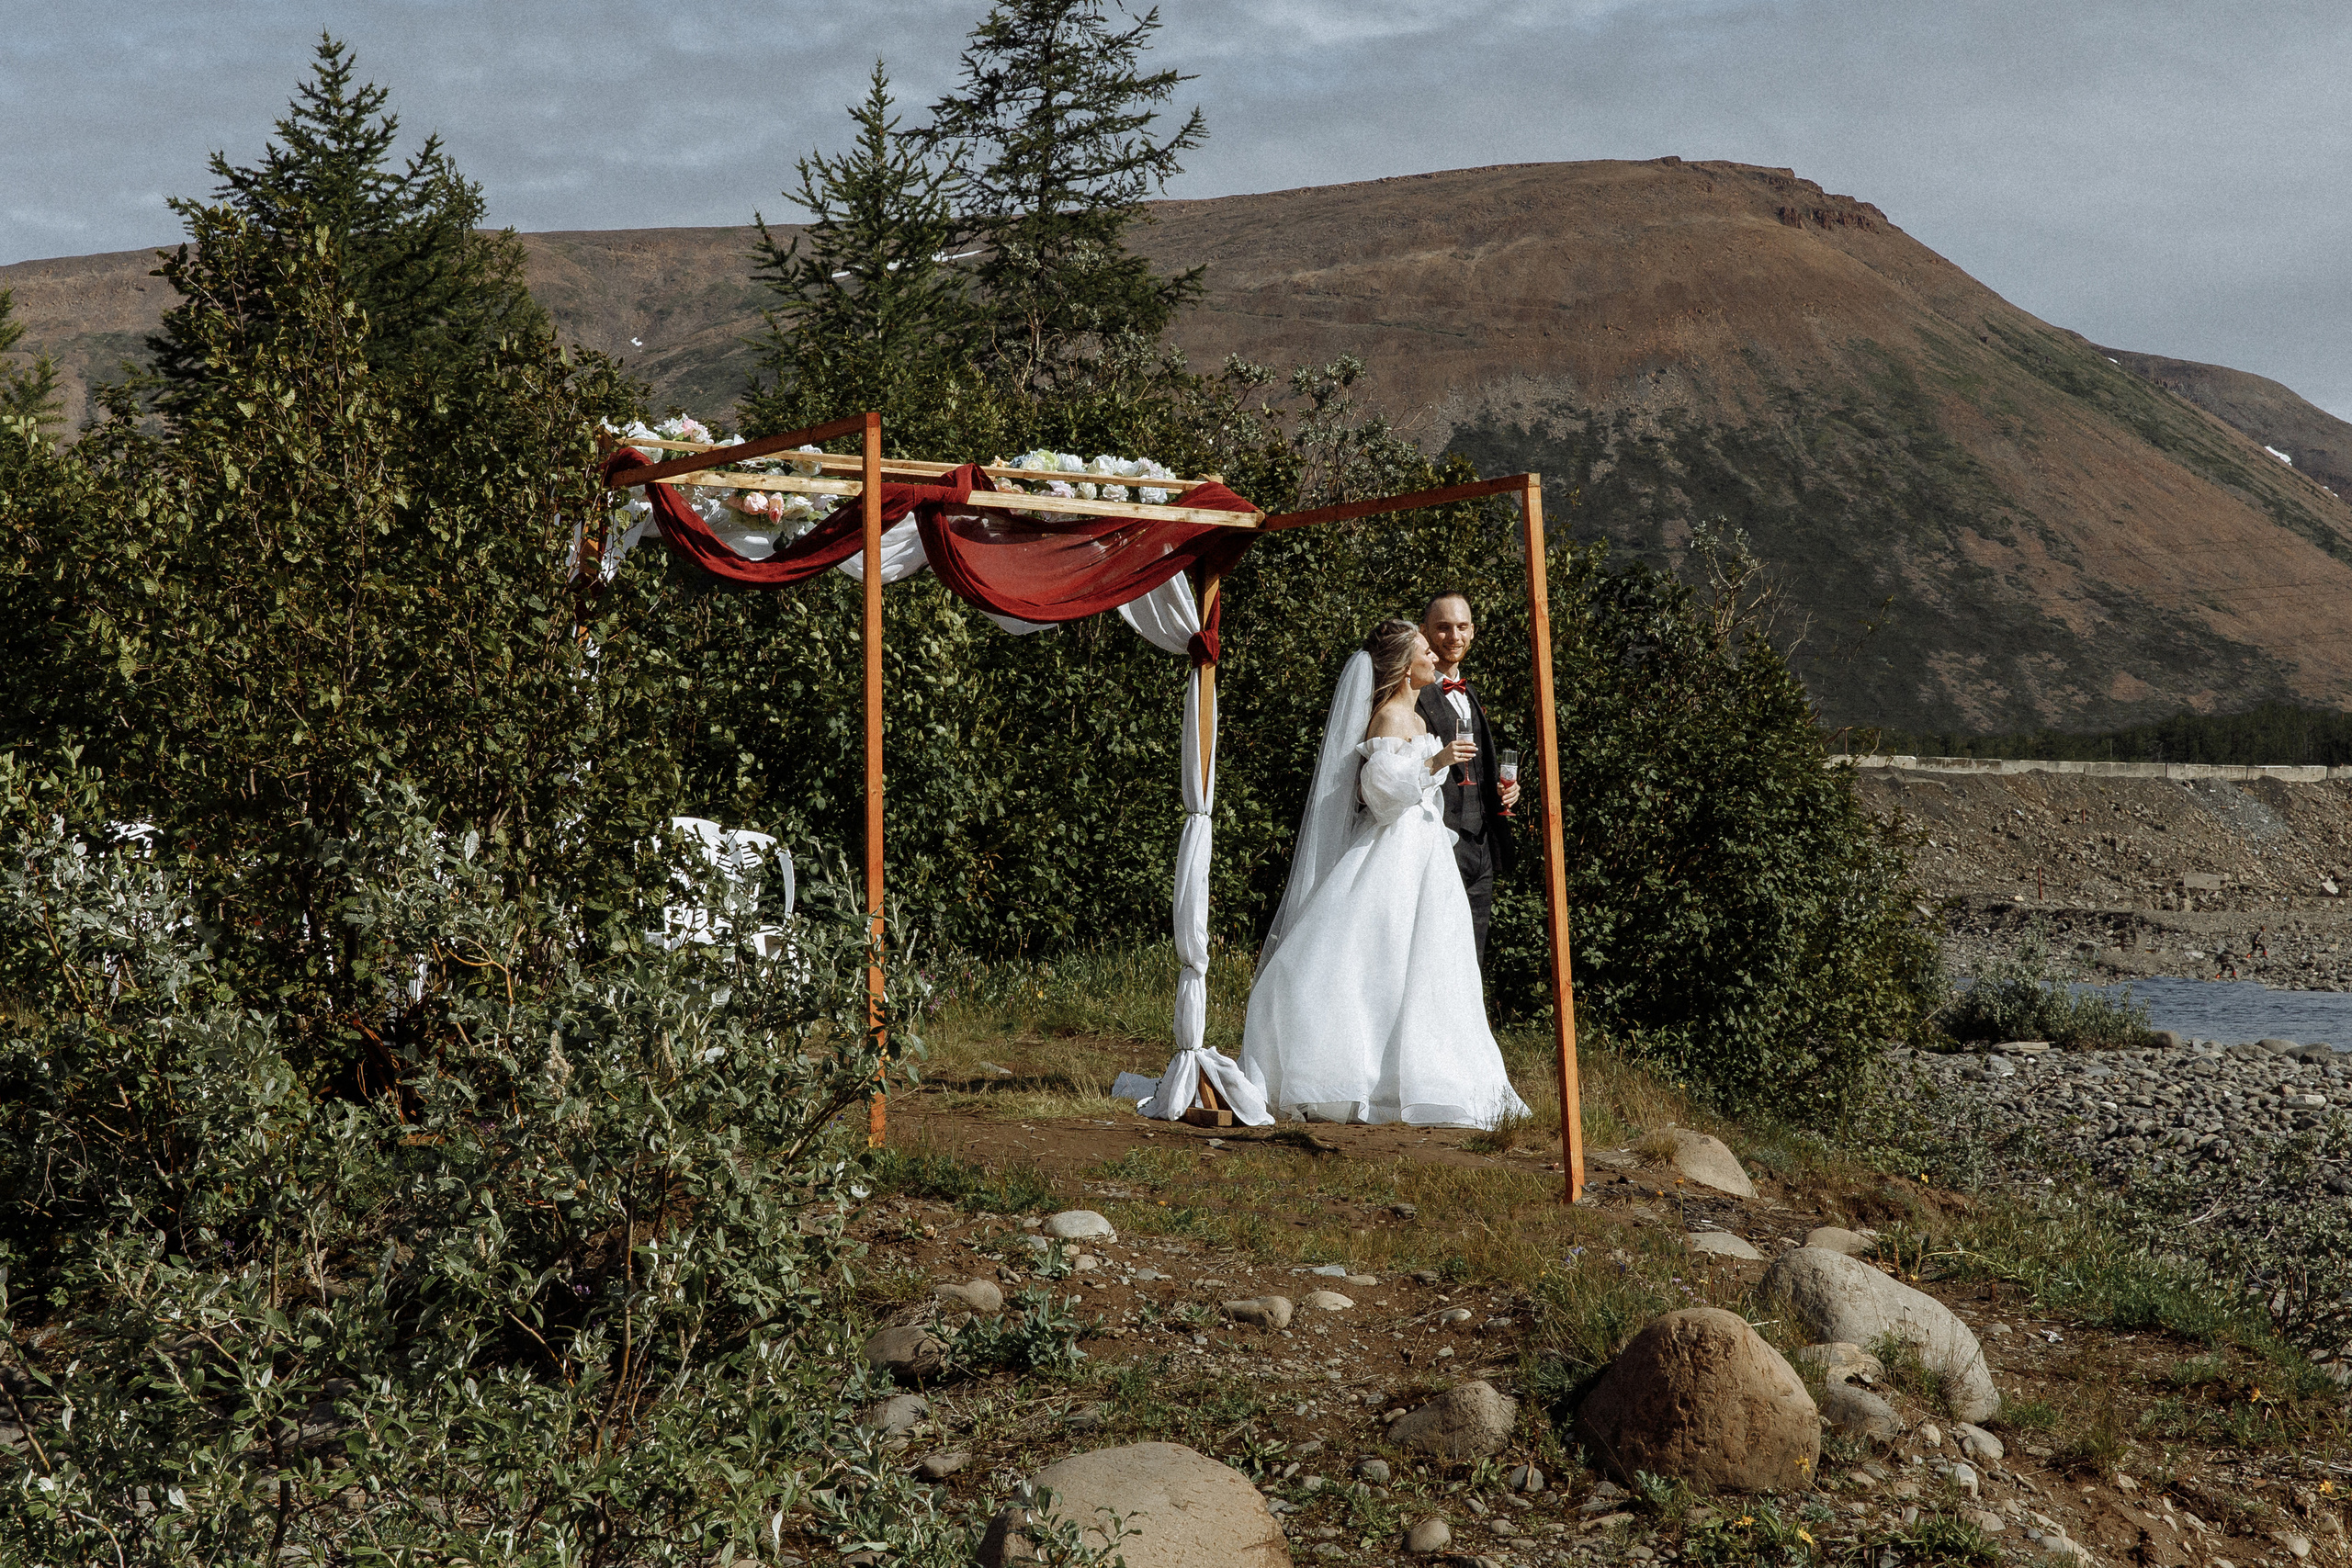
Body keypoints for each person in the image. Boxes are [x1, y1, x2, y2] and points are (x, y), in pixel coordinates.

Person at [1238, 619, 1532, 1129]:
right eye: (1425, 650)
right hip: (1394, 851)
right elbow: (1379, 795)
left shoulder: (1417, 719)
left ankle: (1421, 1073)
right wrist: (1433, 763)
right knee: (1375, 957)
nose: (1435, 658)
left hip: (1427, 851)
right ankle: (1353, 1073)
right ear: (1403, 665)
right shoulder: (1392, 718)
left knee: (1429, 962)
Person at [1415, 592, 1519, 963]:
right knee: (1433, 951)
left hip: (1481, 848)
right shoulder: (1410, 694)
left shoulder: (1470, 693)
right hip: (1437, 843)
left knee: (1472, 956)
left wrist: (1504, 792)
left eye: (1461, 627)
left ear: (1473, 631)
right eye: (1443, 628)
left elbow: (1477, 769)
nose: (1453, 637)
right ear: (1424, 632)